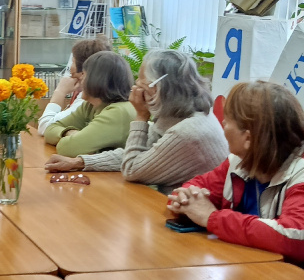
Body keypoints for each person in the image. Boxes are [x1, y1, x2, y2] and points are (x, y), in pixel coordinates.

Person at [168, 80, 304, 280]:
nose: (222, 125)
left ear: (248, 138)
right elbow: (200, 185)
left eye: (227, 121)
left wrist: (211, 218)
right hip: (262, 276)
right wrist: (186, 198)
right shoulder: (242, 159)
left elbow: (293, 236)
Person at [45, 49, 227, 194]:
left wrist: (141, 116)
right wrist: (79, 162)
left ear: (158, 87)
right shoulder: (175, 115)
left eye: (141, 82)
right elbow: (139, 155)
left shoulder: (187, 132)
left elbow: (132, 169)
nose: (135, 87)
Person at [42, 50, 135, 157]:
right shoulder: (90, 105)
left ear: (97, 79)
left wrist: (73, 138)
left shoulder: (118, 112)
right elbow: (49, 130)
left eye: (84, 74)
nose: (80, 78)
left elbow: (67, 148)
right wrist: (69, 132)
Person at [37, 37, 111, 132]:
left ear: (84, 71)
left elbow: (45, 127)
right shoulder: (93, 94)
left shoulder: (88, 99)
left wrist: (60, 92)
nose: (70, 69)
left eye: (73, 62)